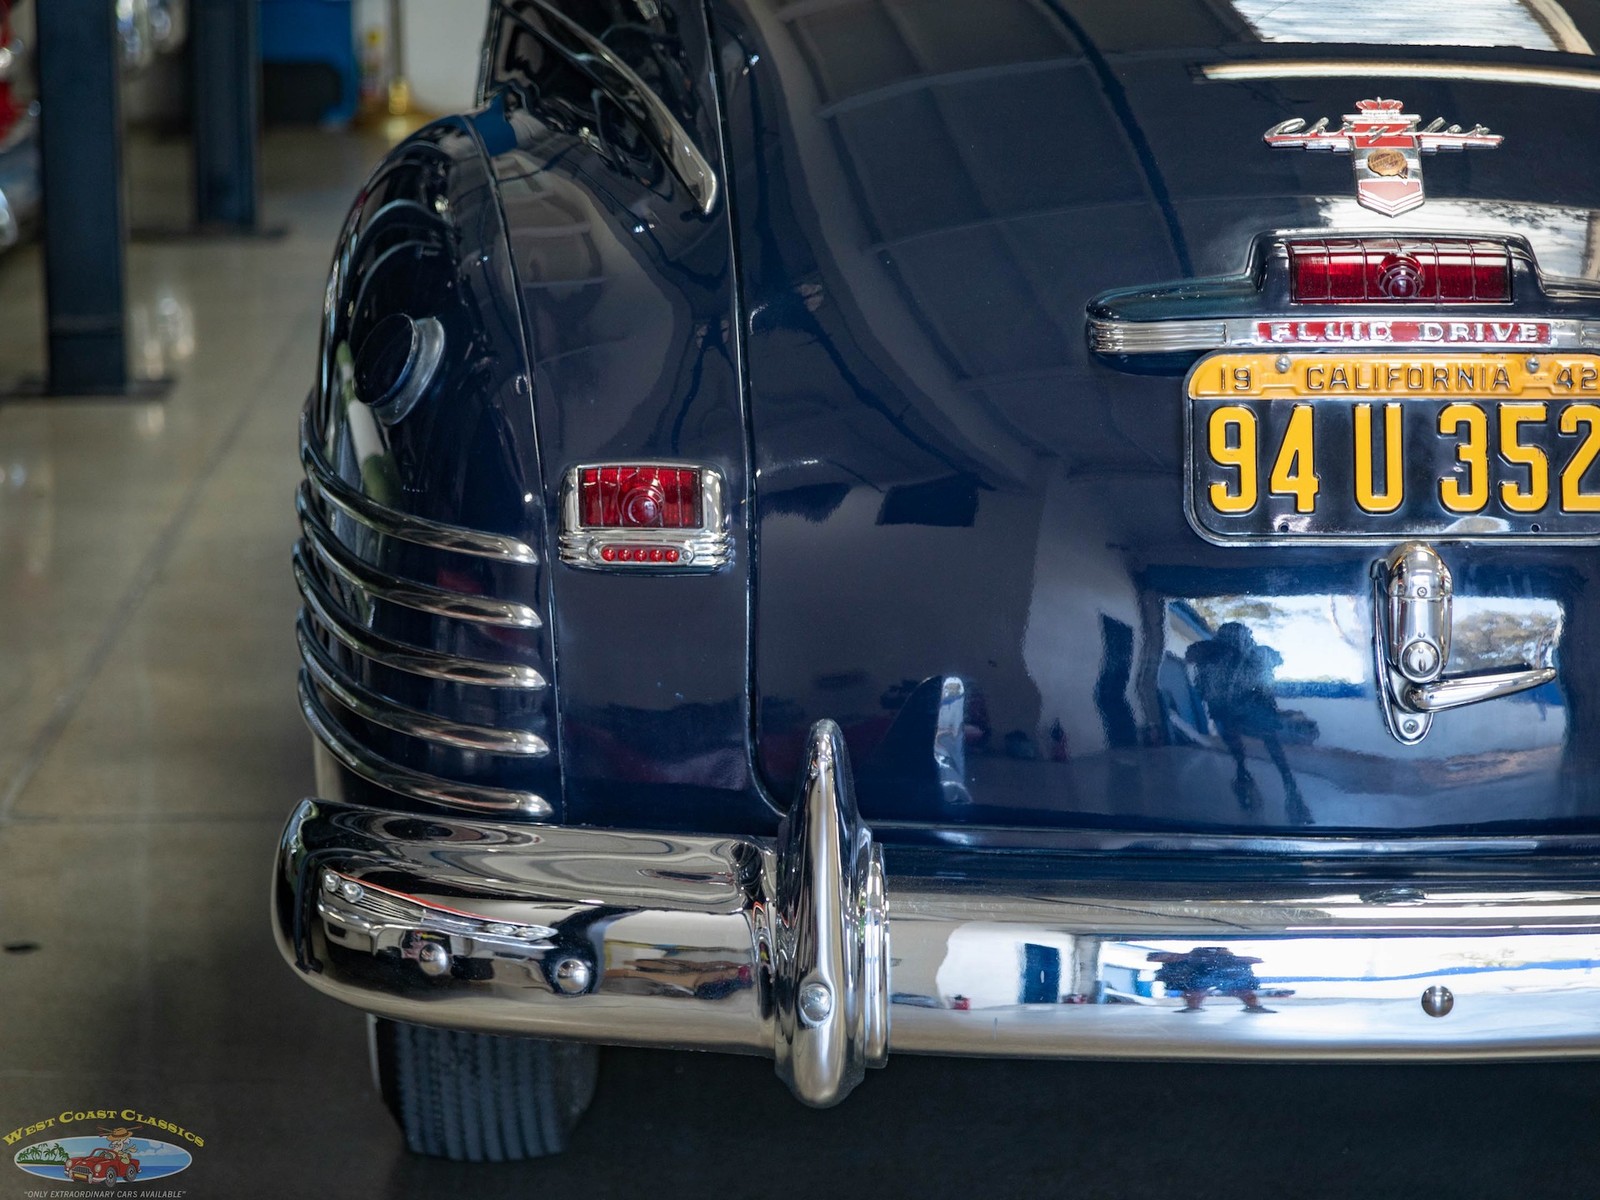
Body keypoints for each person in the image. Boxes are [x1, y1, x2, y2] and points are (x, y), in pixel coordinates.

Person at [1186, 622, 1314, 824]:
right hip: (1227, 706)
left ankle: (1286, 787)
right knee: (1241, 740)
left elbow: (1272, 665)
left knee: (1265, 739)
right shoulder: (1211, 653)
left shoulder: (1252, 655)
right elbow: (1194, 662)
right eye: (1232, 637)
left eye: (1239, 637)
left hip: (1247, 704)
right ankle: (1247, 776)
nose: (1235, 642)